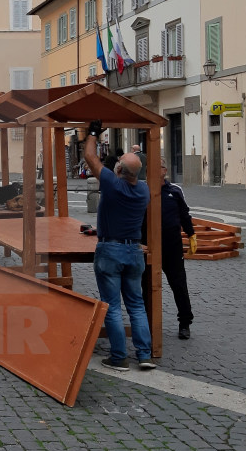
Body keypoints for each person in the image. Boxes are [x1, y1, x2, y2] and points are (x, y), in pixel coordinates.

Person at [84, 120, 155, 371]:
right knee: (136, 304)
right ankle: (145, 355)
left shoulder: (113, 185)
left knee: (112, 305)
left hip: (110, 250)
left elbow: (90, 157)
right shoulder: (144, 191)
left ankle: (119, 357)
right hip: (134, 250)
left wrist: (93, 132)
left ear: (118, 169)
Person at [143, 158, 197, 340]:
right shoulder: (142, 190)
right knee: (146, 286)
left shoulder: (175, 191)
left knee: (179, 285)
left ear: (164, 170)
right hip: (147, 246)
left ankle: (185, 322)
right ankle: (147, 323)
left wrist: (191, 235)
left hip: (172, 247)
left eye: (156, 166)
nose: (151, 170)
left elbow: (184, 214)